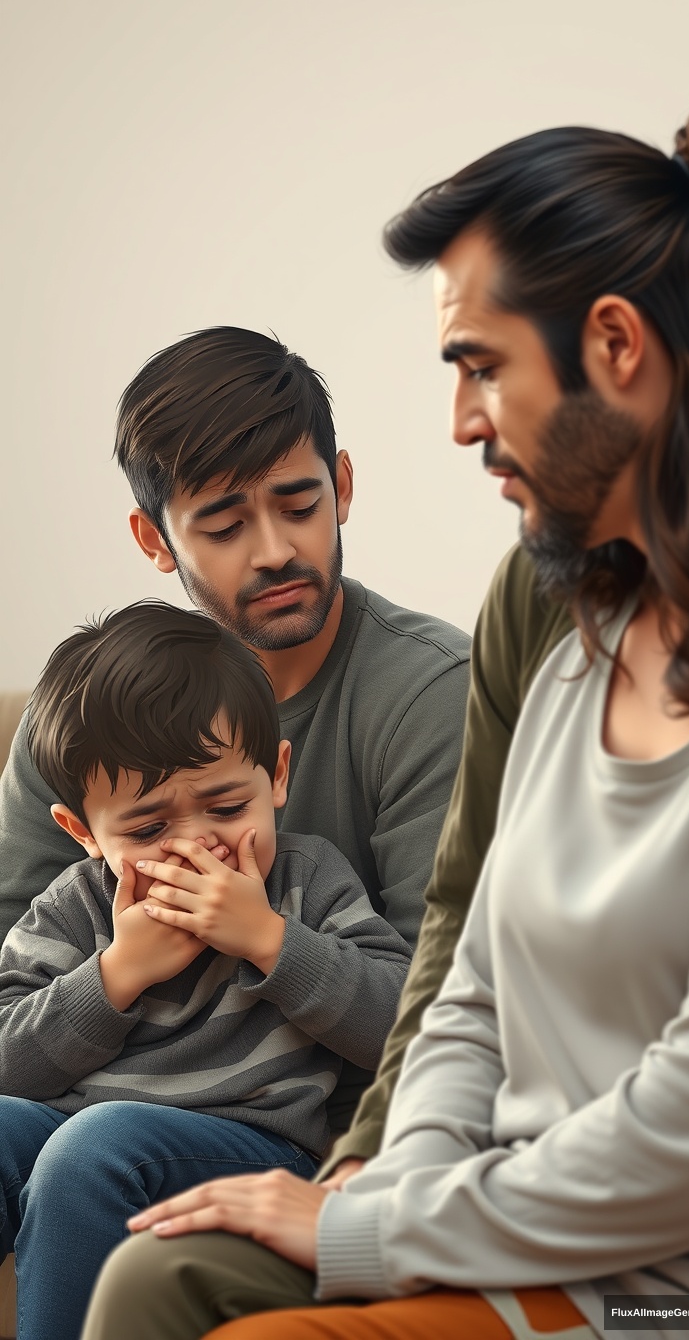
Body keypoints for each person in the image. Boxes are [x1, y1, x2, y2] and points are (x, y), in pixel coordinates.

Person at [81, 101, 689, 1340]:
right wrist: (386, 1182)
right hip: (487, 1210)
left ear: (614, 344)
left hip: (685, 1288)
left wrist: (381, 1226)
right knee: (153, 1280)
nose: (458, 423)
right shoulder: (570, 632)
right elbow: (469, 978)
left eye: (480, 366)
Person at [0, 326, 470, 1130]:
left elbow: (442, 1018)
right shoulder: (79, 726)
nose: (275, 551)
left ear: (343, 486)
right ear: (155, 539)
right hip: (81, 1117)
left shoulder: (432, 694)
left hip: (318, 1136)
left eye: (300, 505)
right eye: (222, 527)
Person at [0, 600, 411, 1340]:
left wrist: (270, 940)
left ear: (277, 777)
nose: (199, 847)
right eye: (149, 829)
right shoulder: (73, 908)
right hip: (72, 1129)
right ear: (82, 834)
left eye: (226, 806)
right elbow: (6, 1060)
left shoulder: (305, 881)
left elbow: (404, 1030)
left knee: (91, 1148)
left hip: (251, 1142)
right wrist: (118, 971)